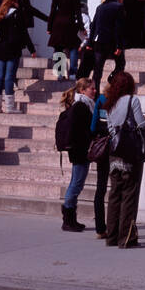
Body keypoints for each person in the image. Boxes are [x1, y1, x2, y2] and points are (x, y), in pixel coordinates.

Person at [104, 71, 145, 249]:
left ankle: (111, 236)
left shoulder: (110, 103)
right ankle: (126, 237)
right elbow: (140, 124)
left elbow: (110, 127)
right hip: (130, 153)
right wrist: (144, 121)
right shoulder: (132, 100)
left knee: (115, 194)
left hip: (114, 153)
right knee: (130, 194)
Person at [0, 0, 35, 113]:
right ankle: (9, 107)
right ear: (14, 2)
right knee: (9, 76)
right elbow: (24, 34)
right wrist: (32, 49)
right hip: (13, 48)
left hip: (1, 48)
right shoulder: (18, 15)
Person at [59, 76, 96, 232]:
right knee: (76, 184)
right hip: (80, 150)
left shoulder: (82, 104)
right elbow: (79, 130)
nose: (94, 91)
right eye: (91, 88)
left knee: (76, 182)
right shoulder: (81, 106)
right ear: (82, 90)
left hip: (79, 149)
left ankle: (70, 219)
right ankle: (68, 219)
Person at [46, 0, 84, 79]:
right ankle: (72, 72)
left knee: (58, 48)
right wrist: (81, 27)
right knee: (73, 47)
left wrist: (49, 26)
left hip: (57, 22)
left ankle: (60, 73)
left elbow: (53, 10)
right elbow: (78, 12)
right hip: (70, 22)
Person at [90, 0, 126, 94]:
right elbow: (118, 28)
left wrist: (90, 42)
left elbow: (94, 25)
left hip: (99, 41)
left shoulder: (100, 7)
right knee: (120, 64)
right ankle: (112, 78)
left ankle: (95, 92)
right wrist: (119, 45)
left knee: (98, 70)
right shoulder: (118, 7)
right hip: (111, 42)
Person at [90, 76, 112, 239]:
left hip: (102, 146)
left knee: (101, 187)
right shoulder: (120, 100)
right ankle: (115, 225)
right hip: (117, 147)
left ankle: (100, 228)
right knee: (118, 188)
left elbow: (92, 125)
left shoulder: (101, 99)